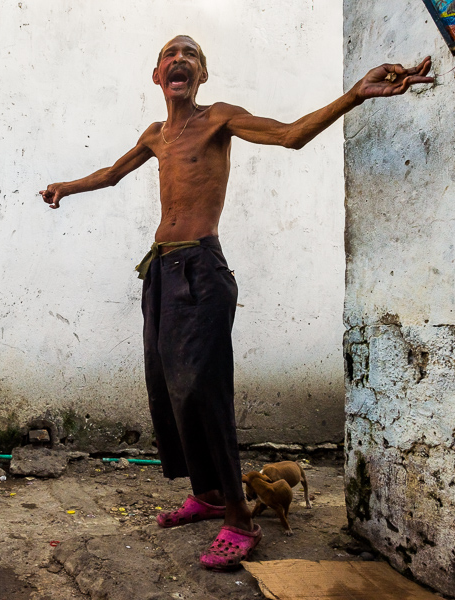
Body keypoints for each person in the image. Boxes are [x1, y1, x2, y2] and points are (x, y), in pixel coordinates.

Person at [39, 35, 433, 570]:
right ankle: (207, 495)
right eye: (171, 55)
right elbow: (110, 174)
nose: (181, 60)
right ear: (157, 76)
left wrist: (355, 95)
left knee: (204, 393)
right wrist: (67, 185)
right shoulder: (154, 135)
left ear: (202, 75)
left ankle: (240, 521)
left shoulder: (219, 118)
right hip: (161, 269)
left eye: (192, 55)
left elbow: (291, 136)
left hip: (202, 268)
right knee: (169, 389)